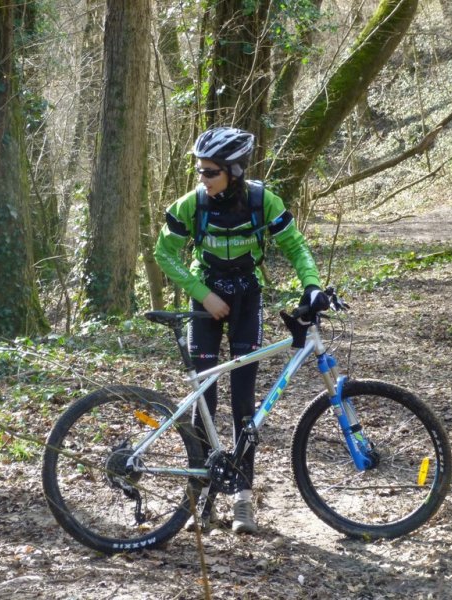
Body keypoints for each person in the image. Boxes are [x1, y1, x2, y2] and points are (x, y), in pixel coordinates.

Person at [154, 126, 327, 534]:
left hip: (248, 298)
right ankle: (202, 492)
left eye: (210, 172)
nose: (202, 179)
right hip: (206, 301)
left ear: (233, 171)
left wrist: (312, 284)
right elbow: (164, 253)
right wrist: (202, 293)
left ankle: (242, 497)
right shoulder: (191, 205)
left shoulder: (261, 201)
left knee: (244, 402)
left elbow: (295, 246)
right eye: (199, 171)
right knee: (205, 400)